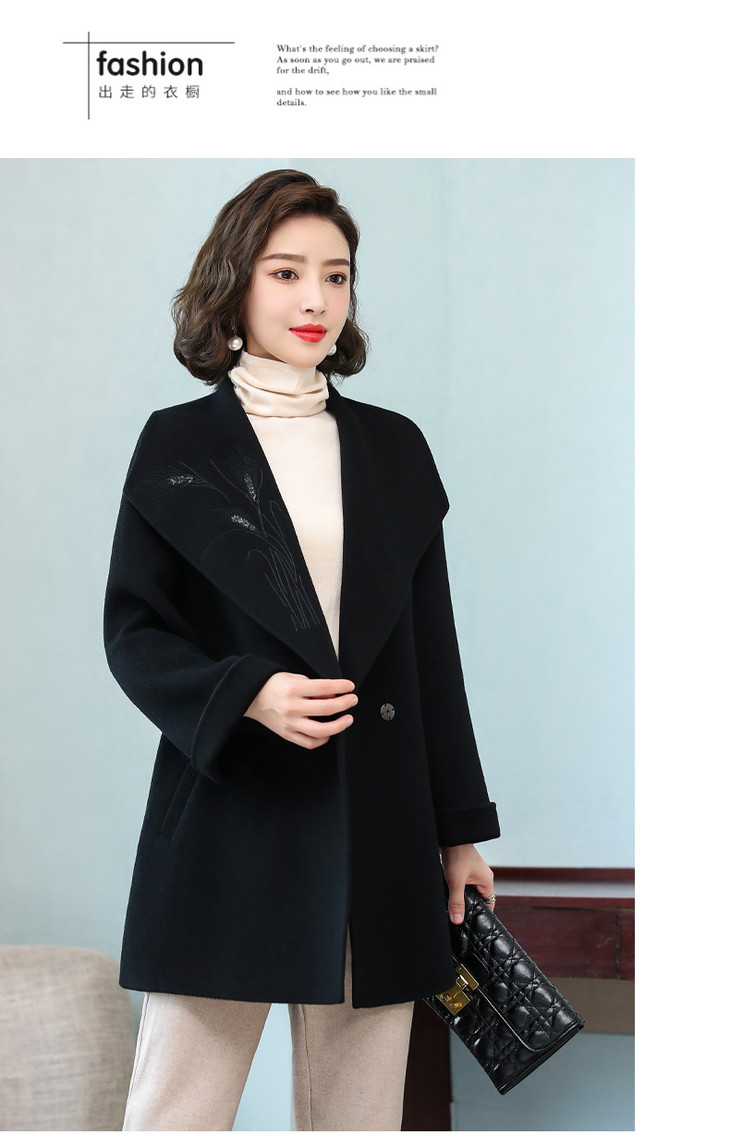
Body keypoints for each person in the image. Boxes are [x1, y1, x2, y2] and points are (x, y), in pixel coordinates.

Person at [104, 169, 500, 1132]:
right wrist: (251, 691)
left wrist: (459, 835)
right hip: (230, 814)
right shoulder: (179, 446)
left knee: (358, 1118)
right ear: (237, 283)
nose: (316, 297)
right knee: (174, 1115)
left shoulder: (394, 449)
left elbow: (432, 656)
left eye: (337, 274)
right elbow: (134, 631)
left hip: (379, 822)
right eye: (286, 272)